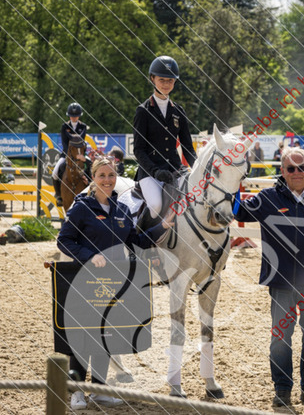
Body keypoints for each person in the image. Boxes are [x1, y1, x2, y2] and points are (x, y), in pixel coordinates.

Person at [57, 157, 174, 410]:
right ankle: (77, 392)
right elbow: (63, 240)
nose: (107, 180)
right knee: (83, 337)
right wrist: (90, 256)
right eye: (102, 175)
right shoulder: (82, 208)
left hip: (113, 283)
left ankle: (99, 390)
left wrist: (161, 227)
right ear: (93, 178)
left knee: (105, 335)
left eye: (111, 175)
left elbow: (135, 241)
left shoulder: (121, 210)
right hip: (84, 281)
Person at [234, 147, 304, 408]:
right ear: (282, 171)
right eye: (291, 168)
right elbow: (239, 212)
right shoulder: (267, 198)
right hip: (281, 283)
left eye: (301, 167)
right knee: (280, 339)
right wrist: (234, 181)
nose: (297, 172)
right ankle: (282, 390)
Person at [133, 55, 196, 220]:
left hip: (175, 169)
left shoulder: (179, 111)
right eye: (162, 80)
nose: (166, 84)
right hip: (150, 172)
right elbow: (138, 150)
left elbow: (187, 147)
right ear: (152, 79)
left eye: (170, 80)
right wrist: (155, 171)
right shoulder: (143, 111)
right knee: (156, 205)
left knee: (194, 199)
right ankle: (142, 235)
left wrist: (198, 168)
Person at [53, 102, 88, 207]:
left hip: (80, 154)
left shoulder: (83, 126)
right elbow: (64, 142)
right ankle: (59, 195)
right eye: (72, 116)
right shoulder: (64, 126)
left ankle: (91, 193)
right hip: (66, 153)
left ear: (79, 116)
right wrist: (69, 154)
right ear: (69, 115)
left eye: (76, 116)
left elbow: (82, 141)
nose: (74, 117)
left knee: (90, 168)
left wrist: (80, 156)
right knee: (55, 173)